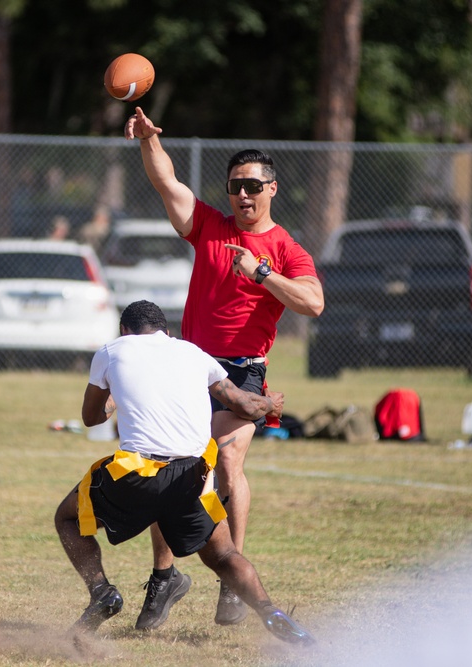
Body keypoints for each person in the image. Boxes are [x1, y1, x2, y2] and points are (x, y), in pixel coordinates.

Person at [125, 107, 325, 627]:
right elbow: (167, 182)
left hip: (243, 374)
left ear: (272, 189)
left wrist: (261, 273)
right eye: (236, 185)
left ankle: (232, 578)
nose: (243, 194)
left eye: (253, 186)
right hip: (190, 369)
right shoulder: (210, 226)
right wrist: (149, 141)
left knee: (224, 465)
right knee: (169, 465)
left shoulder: (284, 249)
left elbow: (313, 302)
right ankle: (165, 577)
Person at [53, 300, 315, 646]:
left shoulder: (110, 351)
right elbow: (245, 405)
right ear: (166, 331)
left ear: (124, 331)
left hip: (137, 474)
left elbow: (91, 416)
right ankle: (270, 611)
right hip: (191, 476)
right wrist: (271, 404)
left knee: (67, 518)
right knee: (224, 555)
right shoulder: (193, 353)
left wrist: (118, 393)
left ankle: (102, 591)